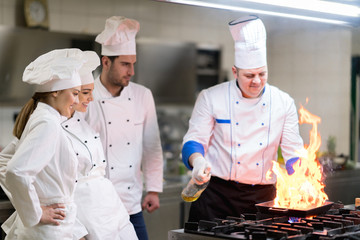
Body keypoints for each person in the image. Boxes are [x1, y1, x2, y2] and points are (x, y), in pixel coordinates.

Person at [181, 15, 304, 222]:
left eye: (262, 74)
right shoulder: (211, 97)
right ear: (235, 72)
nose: (257, 81)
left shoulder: (283, 102)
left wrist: (302, 177)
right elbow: (193, 141)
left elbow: (293, 153)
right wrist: (199, 161)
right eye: (249, 76)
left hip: (263, 199)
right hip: (217, 197)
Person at [84, 16, 163, 240]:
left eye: (133, 64)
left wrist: (154, 189)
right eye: (125, 64)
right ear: (106, 62)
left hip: (131, 205)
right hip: (97, 209)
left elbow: (152, 146)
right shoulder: (85, 96)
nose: (131, 71)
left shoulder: (142, 95)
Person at [2, 49, 87, 239]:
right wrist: (37, 212)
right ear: (56, 91)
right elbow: (16, 171)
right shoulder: (47, 123)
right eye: (74, 93)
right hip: (48, 230)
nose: (76, 101)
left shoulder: (44, 118)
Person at [61, 49, 138, 239]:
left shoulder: (83, 124)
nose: (91, 99)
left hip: (110, 207)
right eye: (85, 93)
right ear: (71, 93)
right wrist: (75, 229)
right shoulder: (51, 125)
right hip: (85, 213)